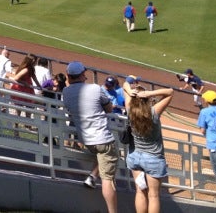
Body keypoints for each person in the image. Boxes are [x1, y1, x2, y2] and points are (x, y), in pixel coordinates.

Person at [62, 61, 118, 213]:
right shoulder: (95, 88)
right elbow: (109, 108)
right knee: (108, 180)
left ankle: (92, 177)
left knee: (102, 157)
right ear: (81, 75)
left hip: (86, 139)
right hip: (103, 139)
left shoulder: (66, 92)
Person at [122, 76, 174, 213]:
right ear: (147, 100)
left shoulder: (129, 110)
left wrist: (131, 91)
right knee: (154, 195)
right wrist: (149, 93)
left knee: (140, 191)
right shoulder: (154, 112)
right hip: (153, 159)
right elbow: (169, 92)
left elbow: (125, 84)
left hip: (134, 157)